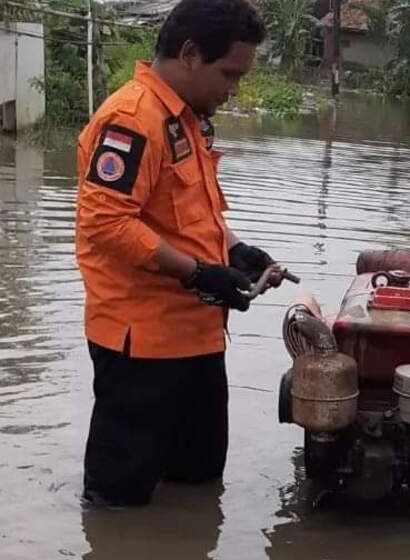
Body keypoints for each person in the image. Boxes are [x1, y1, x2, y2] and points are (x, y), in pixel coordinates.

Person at [75, 0, 284, 506]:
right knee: (118, 504)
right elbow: (106, 222)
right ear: (191, 54)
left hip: (198, 340)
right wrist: (197, 274)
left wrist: (235, 252)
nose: (233, 91)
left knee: (198, 484)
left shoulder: (187, 121)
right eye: (228, 74)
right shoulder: (132, 120)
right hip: (141, 346)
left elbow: (191, 213)